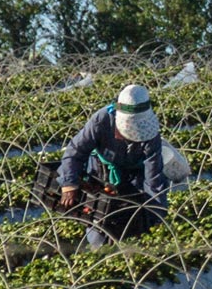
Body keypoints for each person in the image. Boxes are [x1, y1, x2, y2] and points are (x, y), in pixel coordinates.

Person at [55, 83, 169, 245]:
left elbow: (154, 179)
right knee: (99, 220)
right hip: (101, 173)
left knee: (131, 221)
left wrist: (155, 216)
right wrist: (69, 183)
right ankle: (100, 249)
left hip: (134, 179)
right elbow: (75, 152)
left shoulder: (151, 137)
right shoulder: (100, 120)